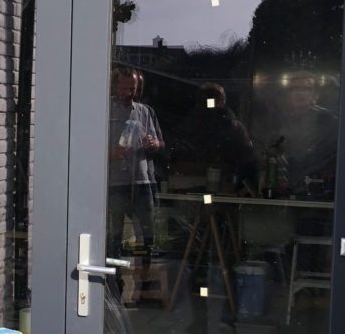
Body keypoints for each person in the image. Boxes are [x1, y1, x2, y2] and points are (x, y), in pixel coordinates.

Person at [107, 66, 164, 258]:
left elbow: (161, 143)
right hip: (115, 182)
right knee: (114, 234)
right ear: (114, 87)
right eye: (123, 88)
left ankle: (145, 271)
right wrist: (109, 153)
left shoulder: (145, 111)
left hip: (142, 180)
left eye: (132, 88)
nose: (128, 93)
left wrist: (154, 144)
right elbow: (89, 146)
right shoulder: (105, 110)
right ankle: (114, 272)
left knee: (148, 234)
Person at [170, 82, 257, 194]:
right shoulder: (234, 127)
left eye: (211, 98)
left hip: (192, 187)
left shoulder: (188, 125)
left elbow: (247, 160)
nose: (209, 103)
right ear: (223, 101)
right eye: (206, 98)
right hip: (218, 188)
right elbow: (248, 160)